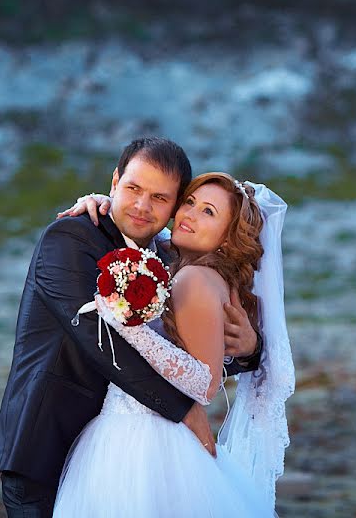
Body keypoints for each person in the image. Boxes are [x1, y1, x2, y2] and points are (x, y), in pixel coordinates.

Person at [0, 138, 264, 517]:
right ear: (115, 181)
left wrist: (249, 349)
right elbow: (96, 339)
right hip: (47, 447)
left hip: (125, 454)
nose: (141, 205)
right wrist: (182, 408)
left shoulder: (167, 256)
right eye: (134, 188)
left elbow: (186, 349)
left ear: (172, 207)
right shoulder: (69, 238)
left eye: (159, 197)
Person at [52, 172, 294, 517]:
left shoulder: (194, 279)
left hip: (146, 440)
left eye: (209, 212)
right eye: (190, 203)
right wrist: (107, 202)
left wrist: (130, 327)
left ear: (226, 239)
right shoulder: (192, 269)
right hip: (139, 428)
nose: (190, 215)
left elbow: (204, 384)